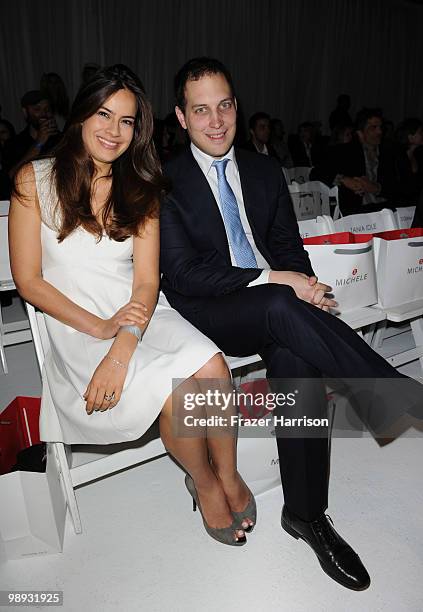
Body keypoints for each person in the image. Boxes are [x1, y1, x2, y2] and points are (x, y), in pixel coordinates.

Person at [160, 57, 423, 591]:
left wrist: (305, 285)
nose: (216, 121)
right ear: (182, 118)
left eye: (225, 106)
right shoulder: (164, 179)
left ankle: (306, 514)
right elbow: (186, 272)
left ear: (237, 105)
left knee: (295, 350)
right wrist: (284, 283)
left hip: (275, 302)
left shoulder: (262, 169)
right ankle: (396, 396)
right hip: (209, 311)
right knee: (282, 305)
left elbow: (285, 244)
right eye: (201, 110)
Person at [8, 64, 255, 547]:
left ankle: (227, 475)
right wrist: (102, 333)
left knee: (212, 365)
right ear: (81, 116)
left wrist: (122, 342)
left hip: (140, 313)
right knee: (177, 390)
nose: (113, 131)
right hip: (76, 323)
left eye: (127, 121)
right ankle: (204, 484)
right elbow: (29, 281)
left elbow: (146, 283)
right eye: (104, 114)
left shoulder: (140, 187)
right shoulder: (32, 181)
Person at [311, 108, 397, 215]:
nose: (379, 131)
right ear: (360, 133)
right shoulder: (344, 152)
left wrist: (377, 188)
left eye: (380, 127)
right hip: (356, 213)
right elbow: (316, 173)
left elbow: (399, 187)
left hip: (386, 211)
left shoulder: (390, 152)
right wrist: (343, 179)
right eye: (373, 128)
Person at [2, 90, 61, 177]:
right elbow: (10, 176)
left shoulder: (61, 139)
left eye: (47, 109)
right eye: (37, 109)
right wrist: (39, 143)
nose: (44, 114)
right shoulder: (13, 144)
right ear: (25, 112)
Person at [393, 118, 423, 206]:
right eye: (420, 133)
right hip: (401, 203)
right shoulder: (396, 156)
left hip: (415, 203)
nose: (422, 135)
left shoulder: (419, 155)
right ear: (410, 137)